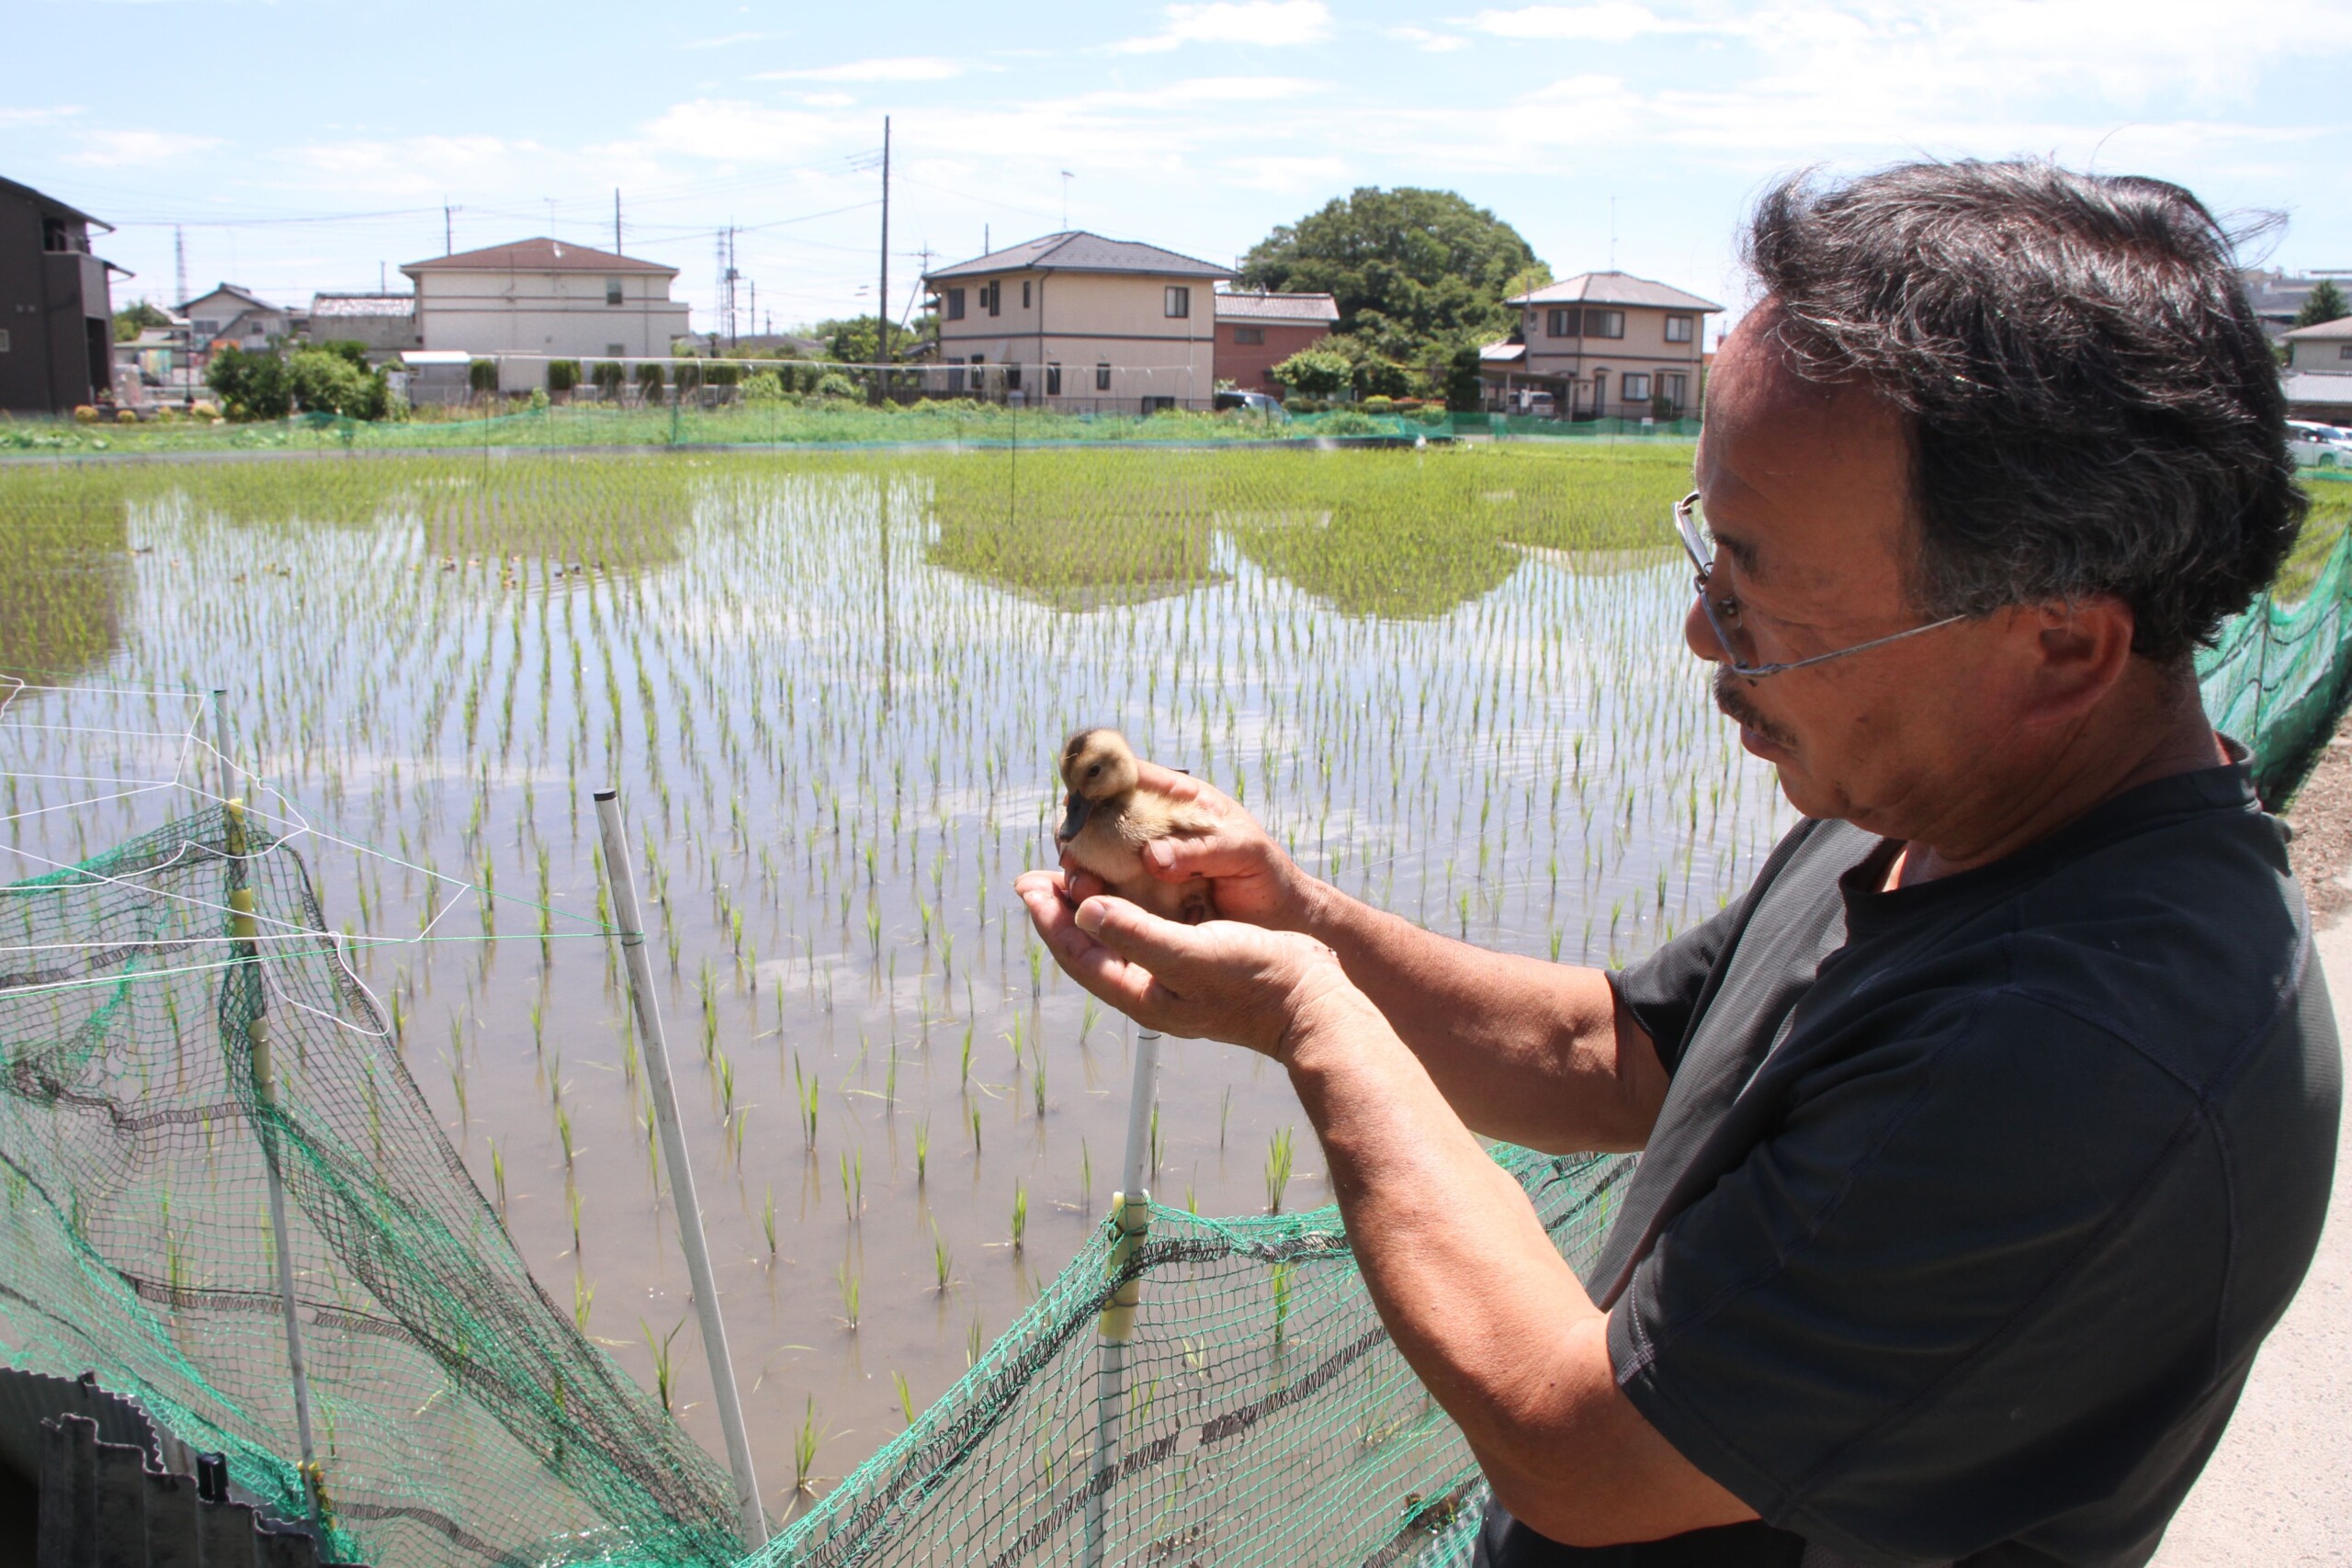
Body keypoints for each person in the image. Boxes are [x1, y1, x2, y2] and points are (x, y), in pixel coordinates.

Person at [1016, 159, 2341, 1567]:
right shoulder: (1931, 794)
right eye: (1707, 556)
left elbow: (1581, 1446)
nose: (1708, 638)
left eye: (1757, 589)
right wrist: (1303, 922)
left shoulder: (2086, 1054)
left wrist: (1305, 1015)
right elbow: (1621, 1053)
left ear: (2060, 646)